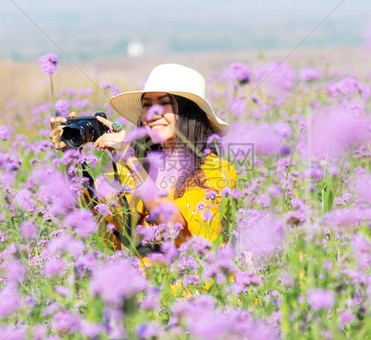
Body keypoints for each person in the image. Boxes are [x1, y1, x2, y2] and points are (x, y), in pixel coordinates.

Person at [48, 63, 238, 264]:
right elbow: (87, 216)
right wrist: (72, 157)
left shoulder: (217, 169)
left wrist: (128, 158)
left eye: (164, 104)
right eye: (147, 105)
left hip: (198, 290)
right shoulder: (131, 168)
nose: (153, 113)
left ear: (189, 113)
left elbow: (174, 223)